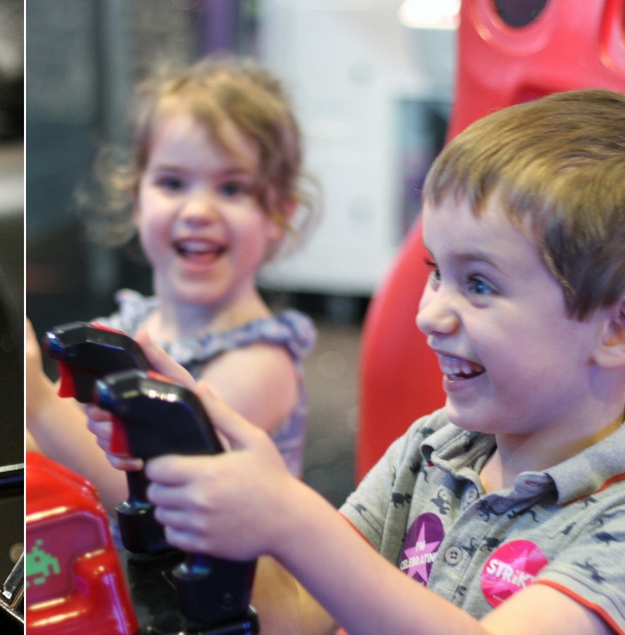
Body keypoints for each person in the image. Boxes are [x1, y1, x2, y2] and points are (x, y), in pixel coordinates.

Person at [126, 88, 625, 635]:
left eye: (478, 284)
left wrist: (291, 519)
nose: (430, 314)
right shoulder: (434, 448)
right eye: (438, 271)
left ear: (615, 328)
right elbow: (293, 612)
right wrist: (201, 459)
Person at [25, 56, 318, 511]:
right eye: (173, 182)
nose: (198, 210)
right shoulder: (128, 326)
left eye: (232, 188)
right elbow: (56, 441)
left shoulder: (259, 364)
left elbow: (149, 495)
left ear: (279, 212)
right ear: (136, 199)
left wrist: (38, 403)